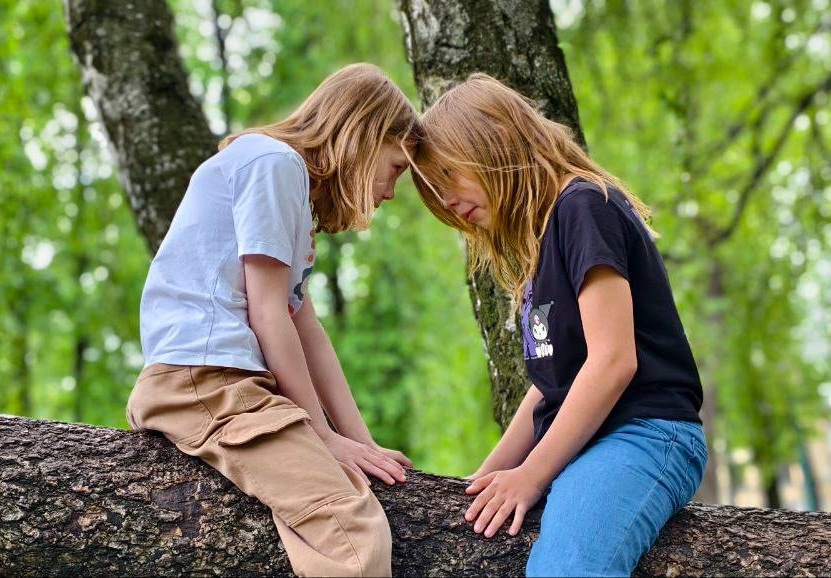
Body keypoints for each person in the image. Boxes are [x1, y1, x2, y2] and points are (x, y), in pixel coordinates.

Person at [409, 74, 707, 577]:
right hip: (594, 441)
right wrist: (485, 476)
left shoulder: (583, 206)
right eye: (434, 195)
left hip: (647, 432)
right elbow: (551, 389)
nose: (446, 202)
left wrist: (531, 475)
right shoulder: (542, 239)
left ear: (493, 142)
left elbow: (613, 361)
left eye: (446, 178)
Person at [127, 63, 417, 577]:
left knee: (346, 500)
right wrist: (323, 436)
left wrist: (360, 442)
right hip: (204, 382)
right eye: (395, 167)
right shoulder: (273, 163)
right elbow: (267, 313)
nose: (392, 191)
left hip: (231, 385)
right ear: (364, 134)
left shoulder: (291, 190)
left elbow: (305, 326)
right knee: (354, 538)